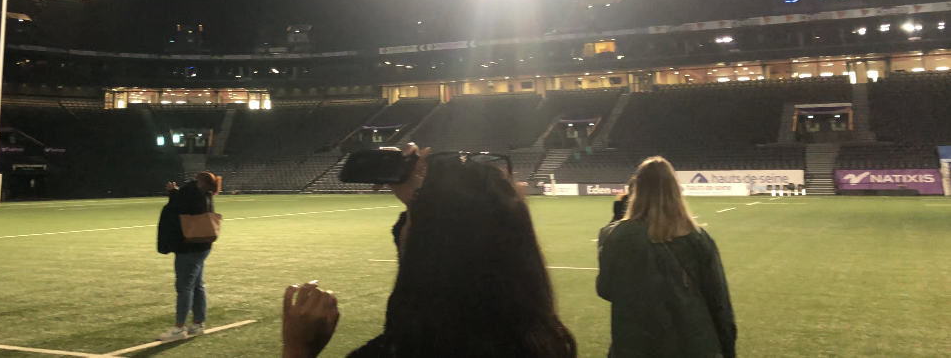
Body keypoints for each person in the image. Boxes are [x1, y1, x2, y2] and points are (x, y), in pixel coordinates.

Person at [281, 147, 578, 358]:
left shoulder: (401, 350)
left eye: (410, 222)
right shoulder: (550, 342)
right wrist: (420, 203)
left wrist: (297, 350)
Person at [596, 156, 736, 358]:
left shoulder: (616, 236)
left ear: (637, 190)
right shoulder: (698, 238)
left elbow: (605, 289)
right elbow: (720, 303)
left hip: (637, 345)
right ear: (675, 189)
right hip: (695, 346)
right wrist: (727, 349)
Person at [156, 171, 219, 341]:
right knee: (197, 285)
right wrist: (176, 192)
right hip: (203, 245)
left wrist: (173, 192)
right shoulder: (206, 196)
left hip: (189, 246)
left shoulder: (193, 195)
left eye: (196, 180)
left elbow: (178, 208)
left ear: (202, 183)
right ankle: (198, 323)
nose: (192, 182)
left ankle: (179, 328)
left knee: (184, 287)